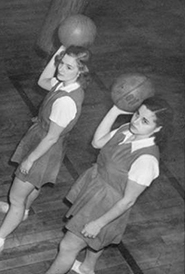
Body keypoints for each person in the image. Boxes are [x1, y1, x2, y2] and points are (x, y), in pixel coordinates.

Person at [0, 45, 91, 257]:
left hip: (45, 146)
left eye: (68, 66)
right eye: (61, 63)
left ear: (80, 71)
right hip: (44, 141)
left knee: (16, 196)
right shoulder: (66, 85)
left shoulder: (66, 101)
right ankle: (23, 211)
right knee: (34, 184)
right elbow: (42, 81)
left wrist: (30, 160)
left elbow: (52, 137)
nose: (61, 68)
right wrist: (58, 52)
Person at [44, 97, 173, 274]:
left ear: (158, 129)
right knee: (94, 240)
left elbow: (127, 201)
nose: (135, 121)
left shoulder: (146, 160)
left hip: (108, 205)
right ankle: (87, 268)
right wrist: (114, 111)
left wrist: (99, 223)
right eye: (136, 114)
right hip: (96, 187)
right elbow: (97, 143)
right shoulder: (126, 130)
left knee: (67, 246)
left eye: (145, 121)